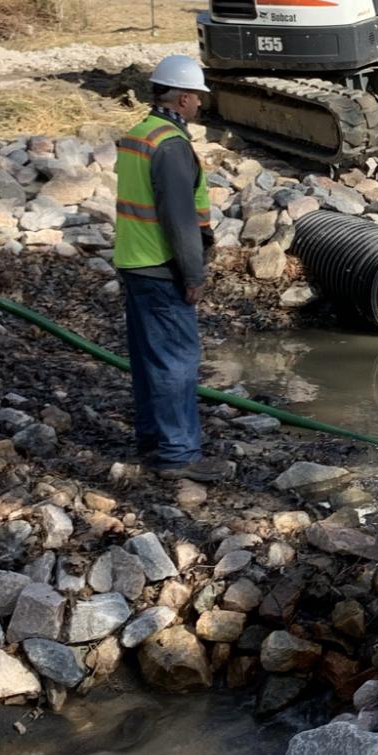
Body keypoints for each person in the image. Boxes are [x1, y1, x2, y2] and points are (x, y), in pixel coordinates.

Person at [113, 55, 230, 482]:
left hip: (134, 262)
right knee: (176, 362)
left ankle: (153, 442)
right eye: (197, 97)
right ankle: (178, 454)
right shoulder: (171, 145)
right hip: (162, 267)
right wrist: (193, 275)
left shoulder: (138, 134)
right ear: (182, 98)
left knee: (149, 359)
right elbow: (180, 220)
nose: (200, 105)